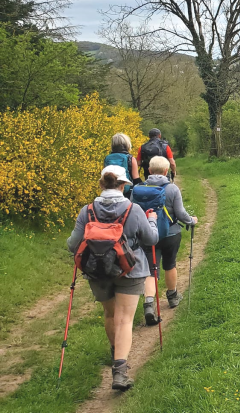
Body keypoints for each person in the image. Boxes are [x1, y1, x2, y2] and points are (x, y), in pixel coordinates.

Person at [67, 165, 158, 391]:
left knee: (110, 314)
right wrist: (153, 220)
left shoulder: (86, 211)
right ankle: (120, 371)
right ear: (124, 185)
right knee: (125, 319)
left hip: (97, 271)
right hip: (131, 269)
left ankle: (115, 351)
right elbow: (151, 239)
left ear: (102, 184)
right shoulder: (133, 209)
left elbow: (72, 244)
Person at [133, 155, 197, 325]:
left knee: (150, 269)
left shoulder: (138, 189)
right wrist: (191, 220)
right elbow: (181, 213)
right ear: (166, 171)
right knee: (170, 264)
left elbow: (133, 213)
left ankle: (148, 303)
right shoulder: (172, 188)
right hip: (170, 234)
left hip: (147, 235)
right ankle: (172, 296)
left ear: (149, 170)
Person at [104, 133, 142, 199]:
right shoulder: (130, 158)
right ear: (127, 144)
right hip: (126, 193)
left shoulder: (107, 158)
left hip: (109, 192)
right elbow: (136, 179)